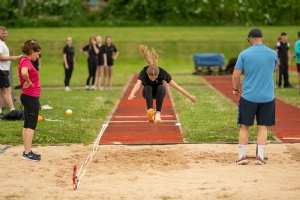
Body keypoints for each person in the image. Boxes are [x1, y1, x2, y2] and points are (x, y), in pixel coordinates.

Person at [232, 28, 278, 165]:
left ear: (251, 39)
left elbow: (236, 75)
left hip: (249, 96)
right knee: (263, 126)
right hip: (267, 96)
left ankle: (242, 157)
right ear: (261, 38)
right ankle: (260, 157)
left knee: (244, 126)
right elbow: (274, 69)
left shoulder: (244, 54)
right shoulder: (273, 53)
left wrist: (235, 89)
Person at [128, 45, 197, 124]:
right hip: (147, 93)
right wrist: (132, 93)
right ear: (147, 73)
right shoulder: (144, 71)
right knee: (148, 87)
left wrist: (189, 96)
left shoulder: (162, 72)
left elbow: (176, 86)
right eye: (150, 77)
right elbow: (137, 85)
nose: (153, 79)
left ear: (158, 75)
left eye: (155, 77)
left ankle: (158, 114)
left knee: (161, 87)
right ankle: (150, 112)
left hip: (159, 93)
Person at [18, 39, 42, 161]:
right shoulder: (26, 61)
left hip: (27, 96)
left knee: (27, 124)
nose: (38, 56)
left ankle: (27, 150)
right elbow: (24, 72)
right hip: (30, 97)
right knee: (31, 125)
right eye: (37, 54)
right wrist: (27, 81)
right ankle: (27, 153)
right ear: (32, 51)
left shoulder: (23, 60)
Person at [0, 26, 20, 116]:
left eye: (5, 33)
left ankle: (0, 111)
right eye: (2, 33)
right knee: (8, 90)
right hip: (1, 71)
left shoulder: (3, 43)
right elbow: (0, 57)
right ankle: (12, 110)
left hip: (3, 70)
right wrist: (11, 58)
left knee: (1, 91)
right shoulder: (0, 43)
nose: (4, 35)